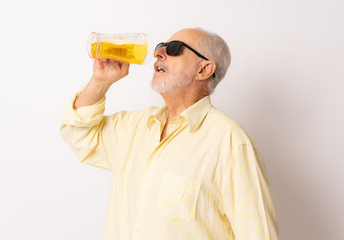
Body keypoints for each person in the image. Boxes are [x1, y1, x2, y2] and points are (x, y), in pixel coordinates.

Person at [60, 27, 279, 239]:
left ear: (204, 69)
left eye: (174, 48)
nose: (158, 53)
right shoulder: (133, 127)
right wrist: (100, 81)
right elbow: (79, 134)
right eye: (160, 46)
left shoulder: (231, 143)